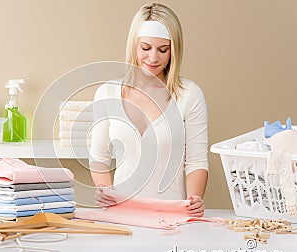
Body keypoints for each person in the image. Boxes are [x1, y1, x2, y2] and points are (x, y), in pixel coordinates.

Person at [89, 2, 208, 217]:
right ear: (133, 45)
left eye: (163, 50)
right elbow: (99, 158)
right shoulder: (107, 92)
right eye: (146, 48)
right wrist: (104, 191)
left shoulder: (189, 94)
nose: (153, 58)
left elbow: (196, 161)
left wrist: (195, 199)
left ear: (175, 50)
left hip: (172, 217)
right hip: (121, 215)